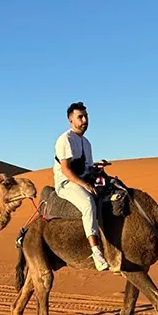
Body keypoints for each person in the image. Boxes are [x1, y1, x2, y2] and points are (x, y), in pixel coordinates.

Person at [53, 102, 109, 271]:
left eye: (86, 116)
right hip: (66, 182)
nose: (84, 120)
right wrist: (85, 185)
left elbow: (86, 168)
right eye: (80, 117)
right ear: (71, 120)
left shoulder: (86, 143)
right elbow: (66, 170)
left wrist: (96, 167)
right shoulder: (65, 140)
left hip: (82, 178)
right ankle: (96, 252)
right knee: (87, 204)